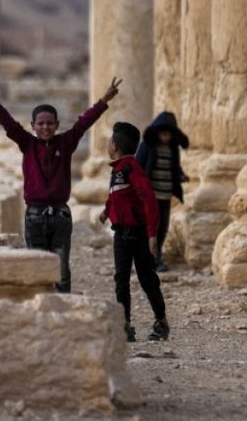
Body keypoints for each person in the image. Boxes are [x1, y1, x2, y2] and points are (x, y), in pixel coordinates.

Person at [0, 73, 121, 293]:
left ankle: (63, 305)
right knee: (36, 265)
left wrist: (103, 101)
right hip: (34, 214)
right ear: (32, 125)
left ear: (57, 124)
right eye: (40, 123)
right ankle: (40, 306)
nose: (45, 127)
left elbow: (84, 122)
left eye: (50, 123)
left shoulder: (66, 142)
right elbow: (8, 123)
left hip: (61, 214)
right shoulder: (27, 144)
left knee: (61, 267)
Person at [99, 121, 170, 342]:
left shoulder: (132, 168)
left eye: (110, 140)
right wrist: (106, 211)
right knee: (121, 279)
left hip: (138, 235)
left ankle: (161, 322)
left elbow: (148, 200)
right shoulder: (118, 169)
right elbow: (116, 196)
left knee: (147, 278)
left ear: (116, 145)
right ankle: (125, 325)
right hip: (120, 235)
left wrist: (151, 235)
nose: (108, 144)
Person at [135, 111, 190, 272]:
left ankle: (156, 257)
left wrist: (181, 176)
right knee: (150, 228)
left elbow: (174, 169)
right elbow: (137, 167)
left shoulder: (173, 149)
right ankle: (147, 259)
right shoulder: (147, 146)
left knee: (163, 228)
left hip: (165, 195)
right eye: (163, 134)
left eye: (168, 134)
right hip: (150, 196)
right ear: (157, 132)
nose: (166, 137)